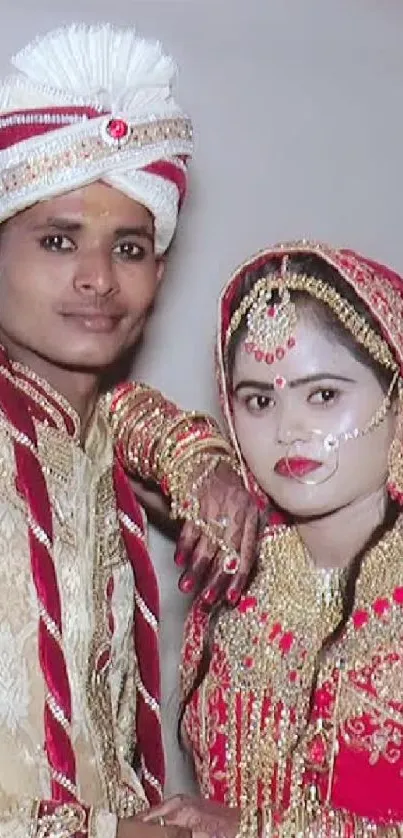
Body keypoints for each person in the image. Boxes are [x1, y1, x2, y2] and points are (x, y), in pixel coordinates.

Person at [0, 23, 259, 838]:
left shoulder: (99, 434)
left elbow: (140, 422)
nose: (97, 279)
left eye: (131, 246)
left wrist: (208, 464)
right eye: (56, 239)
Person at [143, 240, 403, 836]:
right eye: (259, 400)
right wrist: (199, 462)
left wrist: (251, 830)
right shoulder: (245, 560)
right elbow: (108, 406)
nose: (288, 430)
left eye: (324, 395)